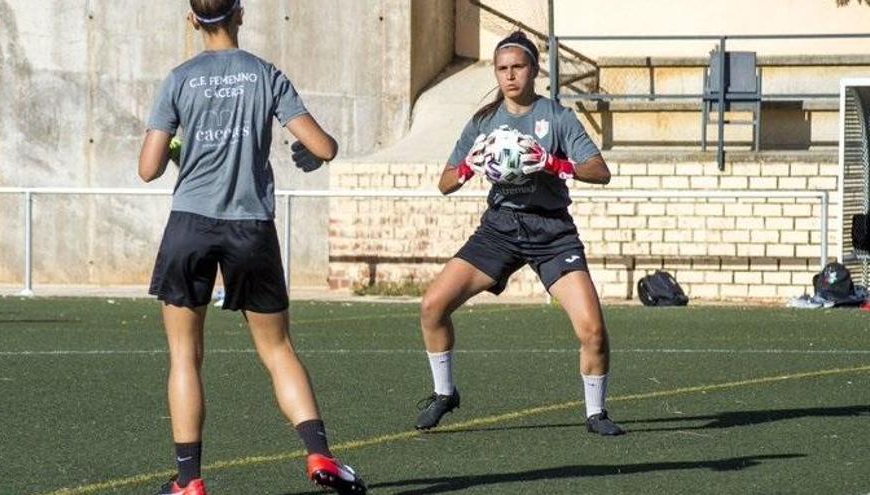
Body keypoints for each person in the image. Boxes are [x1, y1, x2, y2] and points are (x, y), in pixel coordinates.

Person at [138, 1, 366, 493]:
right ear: (239, 14)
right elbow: (323, 147)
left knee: (184, 356)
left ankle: (188, 483)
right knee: (278, 349)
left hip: (190, 226)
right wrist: (312, 150)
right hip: (251, 227)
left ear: (192, 19)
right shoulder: (265, 74)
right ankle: (320, 457)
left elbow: (149, 167)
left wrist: (181, 147)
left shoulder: (179, 79)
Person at [414, 31, 625, 437]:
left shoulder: (558, 117)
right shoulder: (483, 122)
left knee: (593, 331)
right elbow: (444, 183)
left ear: (534, 70)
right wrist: (467, 167)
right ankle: (445, 394)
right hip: (500, 229)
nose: (510, 75)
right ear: (496, 73)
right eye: (503, 68)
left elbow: (601, 171)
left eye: (518, 67)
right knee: (432, 307)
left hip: (551, 231)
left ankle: (596, 414)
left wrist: (552, 163)